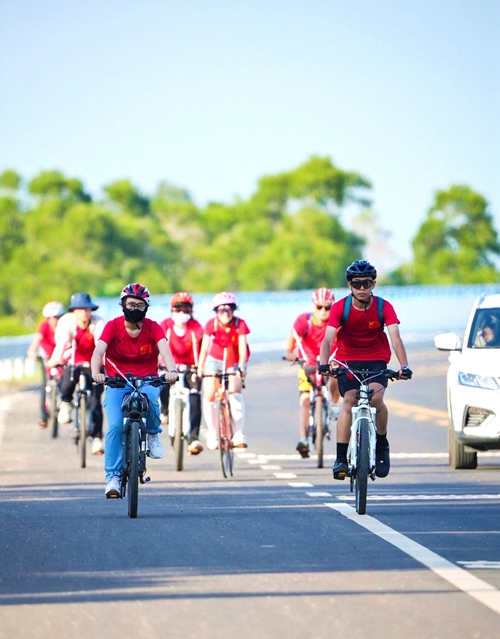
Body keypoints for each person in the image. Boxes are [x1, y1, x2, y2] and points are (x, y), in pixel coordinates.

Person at [318, 260, 412, 480]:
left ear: (374, 284)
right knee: (349, 401)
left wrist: (404, 366)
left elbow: (395, 339)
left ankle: (381, 445)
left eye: (367, 283)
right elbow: (328, 339)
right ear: (349, 285)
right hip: (347, 361)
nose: (362, 288)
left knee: (375, 400)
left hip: (376, 360)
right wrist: (324, 364)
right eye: (357, 284)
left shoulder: (383, 307)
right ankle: (341, 458)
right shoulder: (340, 307)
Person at [91, 283, 178, 497]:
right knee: (114, 427)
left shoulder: (154, 327)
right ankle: (113, 477)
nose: (135, 308)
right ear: (123, 305)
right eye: (131, 304)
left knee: (151, 400)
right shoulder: (112, 326)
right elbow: (97, 352)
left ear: (146, 308)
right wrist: (97, 372)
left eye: (140, 305)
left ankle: (153, 434)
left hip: (147, 378)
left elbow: (165, 353)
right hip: (117, 381)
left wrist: (172, 370)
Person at [284, 288, 341, 458]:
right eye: (319, 307)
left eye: (328, 307)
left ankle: (334, 405)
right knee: (304, 400)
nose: (323, 311)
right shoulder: (303, 321)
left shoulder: (337, 323)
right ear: (313, 306)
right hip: (307, 365)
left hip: (329, 362)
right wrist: (293, 357)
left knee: (337, 378)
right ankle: (303, 439)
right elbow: (289, 348)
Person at [48, 292, 105, 455]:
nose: (84, 313)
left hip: (93, 363)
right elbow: (62, 343)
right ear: (73, 311)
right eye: (79, 309)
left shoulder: (98, 322)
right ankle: (65, 402)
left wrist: (105, 361)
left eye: (87, 309)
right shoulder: (67, 322)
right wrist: (55, 359)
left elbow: (101, 343)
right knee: (67, 379)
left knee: (95, 402)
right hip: (73, 360)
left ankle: (96, 438)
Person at [198, 292, 250, 450]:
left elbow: (242, 348)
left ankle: (239, 433)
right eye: (221, 310)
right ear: (216, 312)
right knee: (209, 395)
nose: (226, 313)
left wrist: (240, 367)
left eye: (229, 309)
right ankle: (213, 432)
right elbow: (205, 348)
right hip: (215, 359)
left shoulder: (239, 324)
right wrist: (200, 368)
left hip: (234, 359)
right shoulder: (211, 324)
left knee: (234, 392)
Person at [159, 292, 204, 455]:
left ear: (191, 312)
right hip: (169, 366)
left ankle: (193, 437)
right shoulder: (165, 325)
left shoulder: (195, 327)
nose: (181, 314)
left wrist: (200, 368)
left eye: (185, 310)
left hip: (190, 367)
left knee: (195, 396)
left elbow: (203, 347)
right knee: (162, 382)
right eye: (178, 310)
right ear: (172, 310)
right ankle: (165, 411)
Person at [26, 300, 65, 428]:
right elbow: (37, 339)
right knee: (44, 383)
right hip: (47, 356)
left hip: (61, 355)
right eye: (52, 317)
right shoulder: (44, 326)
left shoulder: (65, 326)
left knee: (66, 379)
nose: (55, 320)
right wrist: (32, 351)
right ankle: (43, 415)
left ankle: (64, 403)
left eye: (58, 317)